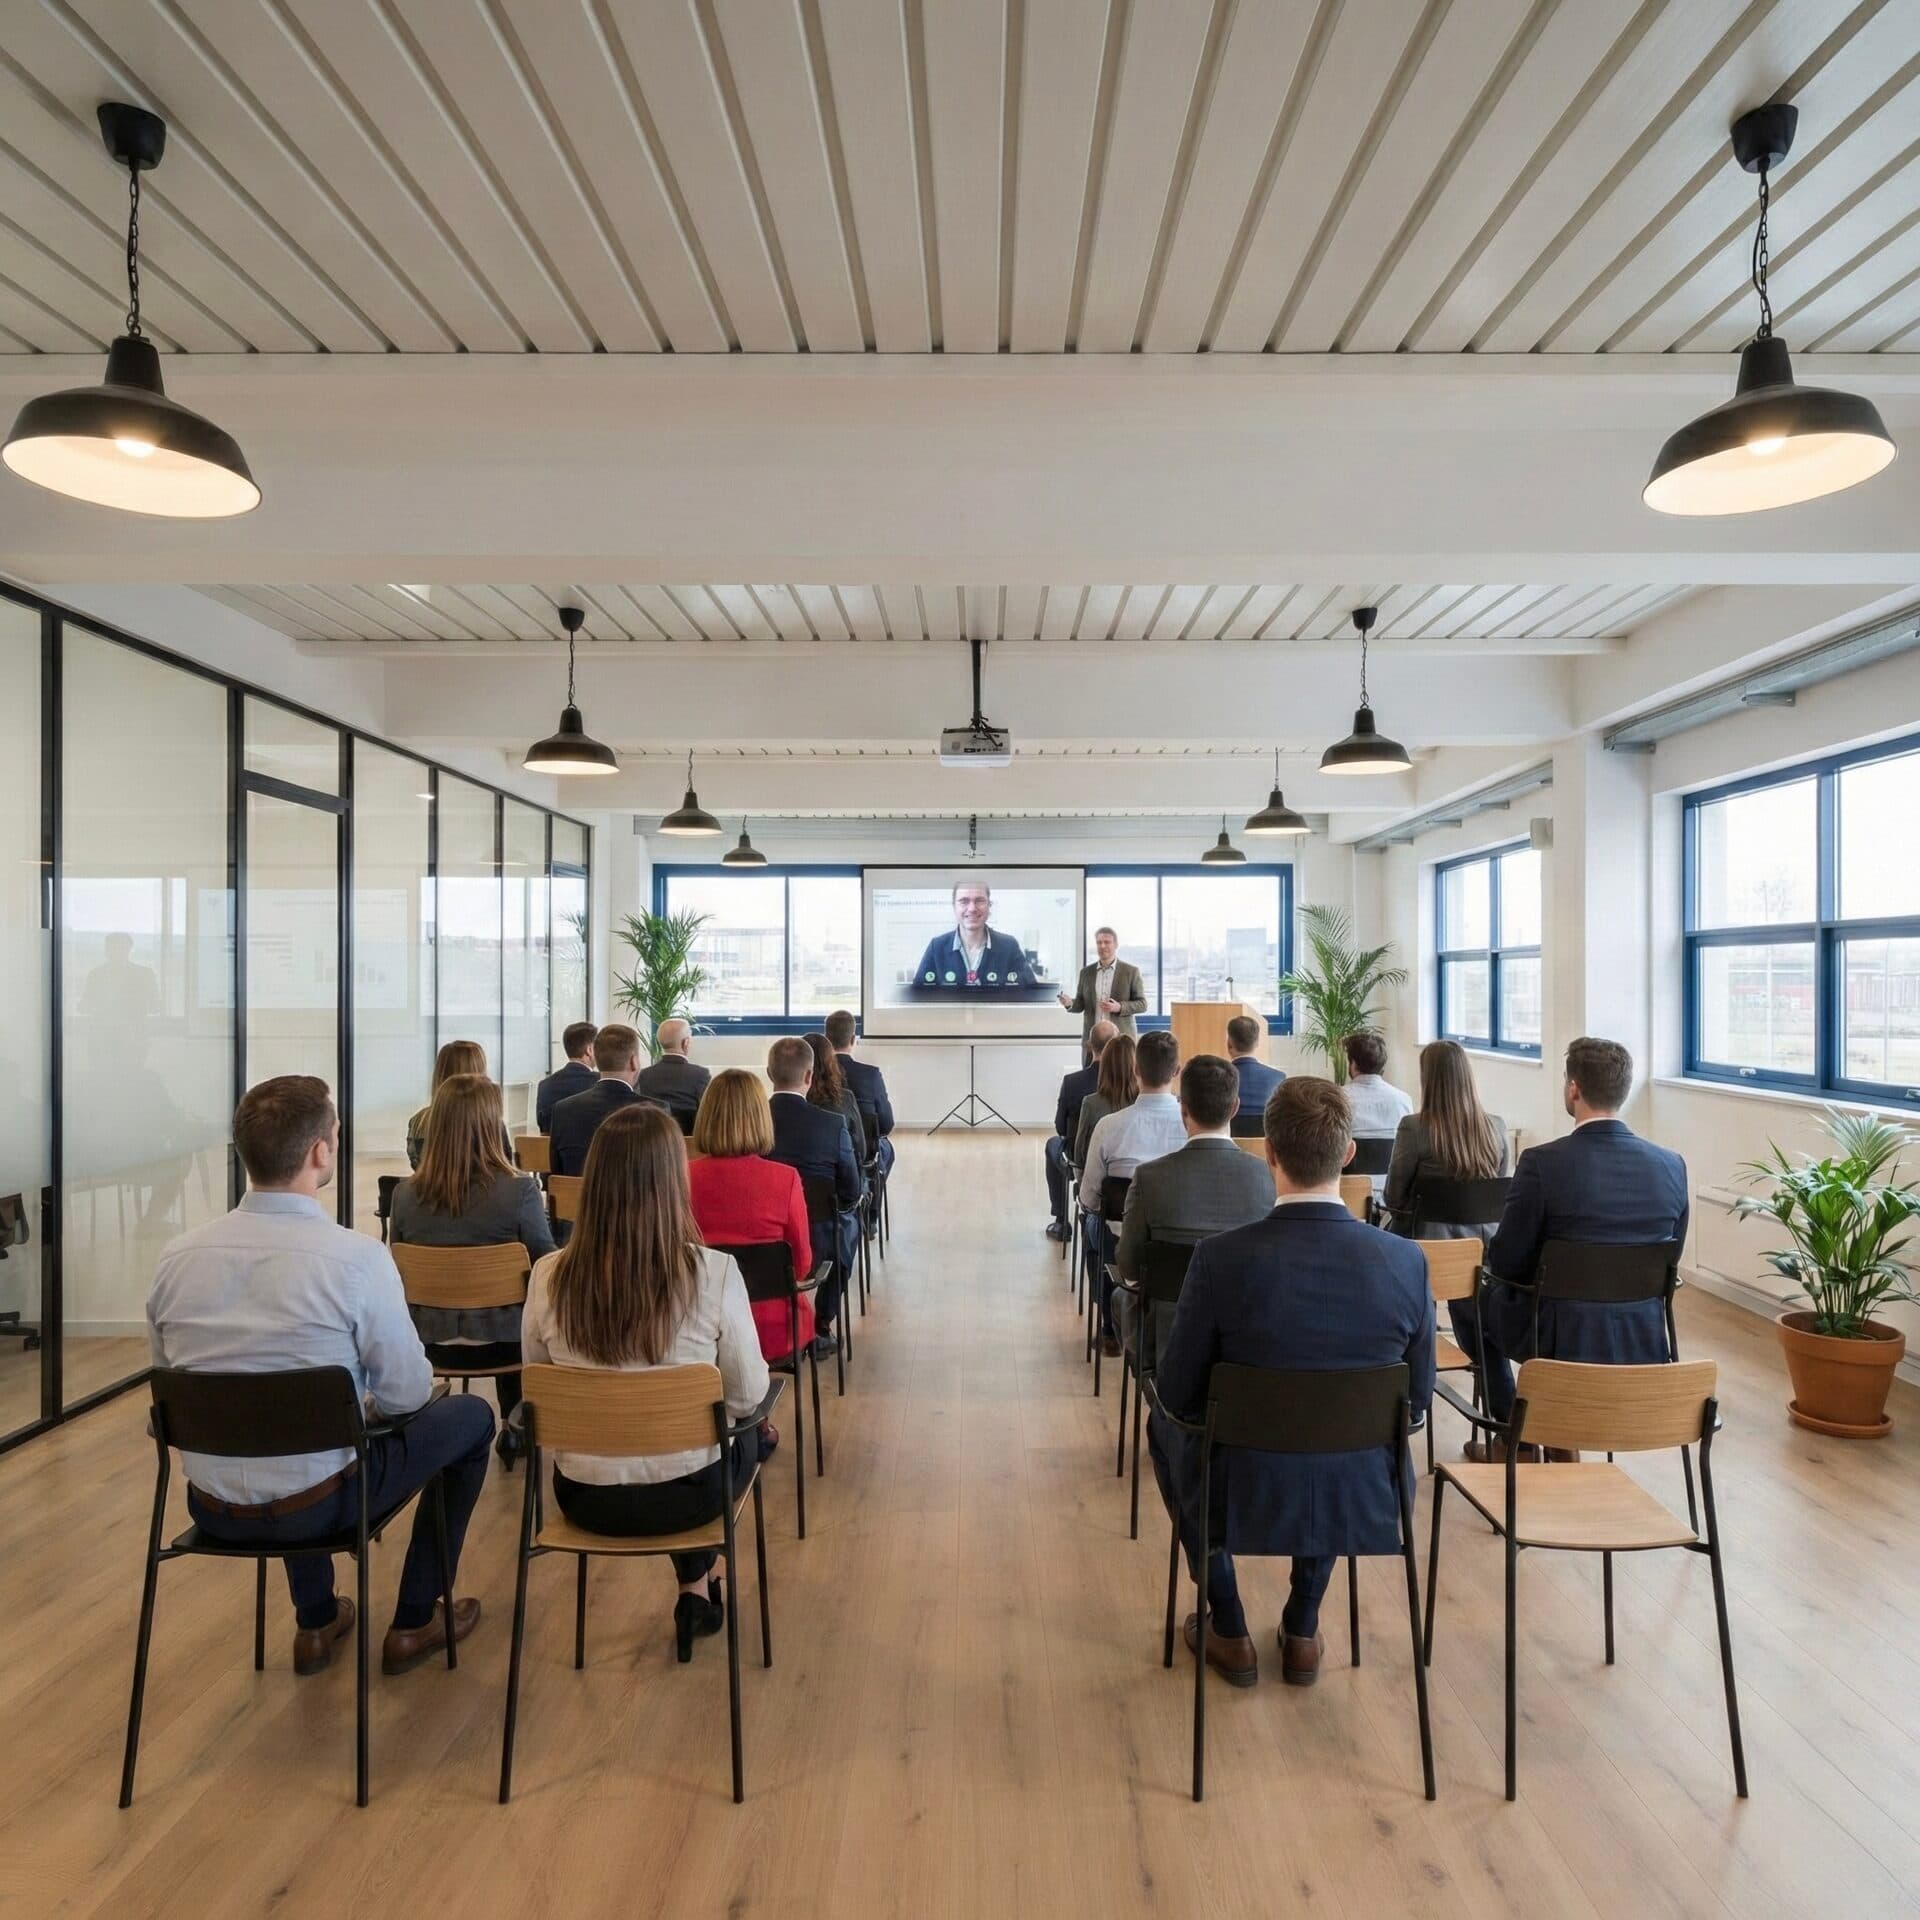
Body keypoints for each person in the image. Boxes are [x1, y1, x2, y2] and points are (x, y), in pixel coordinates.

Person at [147, 1075, 491, 1677]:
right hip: (324, 1506)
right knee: (471, 1418)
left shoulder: (177, 1260)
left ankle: (316, 1620)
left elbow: (170, 1379)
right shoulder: (354, 1259)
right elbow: (408, 1395)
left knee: (282, 1431)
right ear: (319, 1152)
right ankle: (415, 1616)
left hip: (210, 1507)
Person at [1149, 1077, 1433, 1688]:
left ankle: (1227, 1623)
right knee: (1335, 1429)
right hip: (1365, 1491)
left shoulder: (1220, 1260)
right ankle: (1303, 1626)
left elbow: (1176, 1395)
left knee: (1164, 1427)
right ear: (1350, 1152)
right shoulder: (1407, 1261)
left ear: (1269, 1153)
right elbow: (1414, 1409)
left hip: (1240, 1485)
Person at [521, 1103, 772, 1662]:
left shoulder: (548, 1276)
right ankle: (699, 1577)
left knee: (659, 1438)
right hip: (692, 1497)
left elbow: (536, 1383)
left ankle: (696, 1587)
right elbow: (748, 1396)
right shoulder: (714, 1272)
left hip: (583, 1497)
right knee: (749, 1431)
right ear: (673, 1178)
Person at [1459, 1037, 1688, 1452]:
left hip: (1556, 1334)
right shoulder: (1671, 1166)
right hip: (1643, 1335)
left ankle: (1518, 1438)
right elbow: (1670, 1259)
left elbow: (1508, 1262)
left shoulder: (1542, 1164)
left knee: (1467, 1301)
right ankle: (1552, 1435)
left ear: (1573, 1089)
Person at [390, 1072, 555, 1467]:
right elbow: (546, 1265)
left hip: (428, 1342)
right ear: (491, 1122)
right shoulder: (518, 1191)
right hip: (505, 1341)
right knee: (527, 1302)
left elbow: (394, 1271)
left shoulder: (405, 1195)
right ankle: (516, 1424)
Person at [1113, 1052, 1275, 1361]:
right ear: (1235, 1107)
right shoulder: (1267, 1176)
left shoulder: (1150, 1177)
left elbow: (1129, 1266)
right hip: (1247, 1340)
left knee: (1120, 1299)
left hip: (1167, 1341)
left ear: (1183, 1110)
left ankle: (1162, 1405)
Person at [687, 1070, 815, 1385]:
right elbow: (801, 1265)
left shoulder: (680, 1177)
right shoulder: (785, 1179)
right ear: (761, 1117)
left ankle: (745, 1423)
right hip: (772, 1325)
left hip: (695, 1323)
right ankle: (754, 1421)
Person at [1080, 1030, 1188, 1355]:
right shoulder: (1191, 1126)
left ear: (1136, 1071)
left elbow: (1089, 1198)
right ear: (1177, 1070)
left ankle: (1110, 1330)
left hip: (1122, 1242)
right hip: (1182, 1248)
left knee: (1091, 1228)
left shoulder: (1109, 1127)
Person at [765, 1036, 862, 1356]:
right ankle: (821, 1324)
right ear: (809, 1076)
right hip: (820, 1239)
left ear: (768, 1073)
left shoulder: (750, 1123)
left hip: (764, 1241)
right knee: (848, 1228)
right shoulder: (832, 1126)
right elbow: (851, 1190)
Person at [1381, 1039, 1510, 1242]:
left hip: (1425, 1245)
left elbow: (1393, 1198)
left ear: (1427, 1078)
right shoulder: (1498, 1126)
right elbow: (1495, 1192)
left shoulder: (1413, 1127)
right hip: (1483, 1247)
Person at [550, 1024, 655, 1177]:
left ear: (597, 1059)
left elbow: (556, 1175)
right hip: (636, 1200)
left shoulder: (562, 1110)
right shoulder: (656, 1111)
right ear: (634, 1062)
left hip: (577, 1200)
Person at [1045, 1019, 1116, 1242]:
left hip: (1080, 1161)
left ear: (1089, 1045)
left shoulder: (1072, 1082)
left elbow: (1060, 1127)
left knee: (1052, 1144)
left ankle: (1061, 1221)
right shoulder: (1130, 1084)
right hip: (1117, 1160)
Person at [910, 881, 1036, 993]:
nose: (972, 908)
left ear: (989, 906)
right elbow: (918, 996)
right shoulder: (937, 947)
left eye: (979, 901)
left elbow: (1031, 994)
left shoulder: (1009, 946)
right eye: (964, 901)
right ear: (954, 907)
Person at [1059, 926, 1147, 1059]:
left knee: (1121, 1079)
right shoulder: (1086, 973)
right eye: (1099, 942)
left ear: (1116, 944)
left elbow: (1142, 1004)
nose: (1102, 946)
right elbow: (1081, 1003)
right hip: (1093, 1043)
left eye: (1107, 942)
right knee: (1090, 1079)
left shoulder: (1131, 972)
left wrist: (1120, 1007)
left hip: (1120, 1041)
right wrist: (1070, 1003)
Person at [826, 1009, 894, 1181]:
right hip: (865, 1155)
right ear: (853, 1039)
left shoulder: (815, 1076)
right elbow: (886, 1125)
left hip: (825, 1152)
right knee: (886, 1149)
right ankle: (872, 1201)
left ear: (826, 1038)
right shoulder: (870, 1075)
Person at [406, 1039, 489, 1169]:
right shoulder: (489, 1123)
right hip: (480, 1189)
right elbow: (499, 1174)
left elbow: (417, 1167)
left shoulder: (418, 1122)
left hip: (428, 1189)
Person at [1073, 1033, 1138, 1174]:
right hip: (1141, 1185)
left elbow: (1079, 1157)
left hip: (1101, 1186)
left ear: (1104, 1065)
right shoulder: (1143, 1102)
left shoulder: (1091, 1103)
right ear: (1136, 1066)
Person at [803, 1032, 865, 1165]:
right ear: (831, 1064)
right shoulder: (845, 1099)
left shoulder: (784, 1108)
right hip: (838, 1180)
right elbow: (861, 1151)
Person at [1341, 1033, 1413, 1143]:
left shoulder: (1337, 1099)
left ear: (1353, 1064)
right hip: (1391, 1160)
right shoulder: (1404, 1100)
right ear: (1382, 1065)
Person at [635, 1017, 710, 1121]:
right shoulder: (701, 1075)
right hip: (688, 1136)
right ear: (686, 1043)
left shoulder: (643, 1075)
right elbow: (708, 1114)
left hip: (654, 1135)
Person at [536, 1022, 598, 1134]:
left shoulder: (544, 1085)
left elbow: (543, 1130)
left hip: (549, 1151)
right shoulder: (598, 1083)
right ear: (589, 1050)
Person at [1226, 1014, 1284, 1116]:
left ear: (1229, 1044)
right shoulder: (1279, 1078)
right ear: (1257, 1043)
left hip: (1229, 1132)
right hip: (1267, 1132)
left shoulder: (1216, 1080)